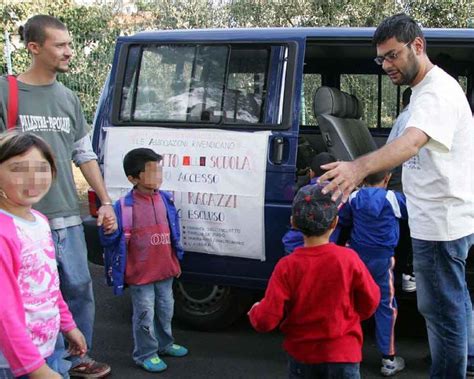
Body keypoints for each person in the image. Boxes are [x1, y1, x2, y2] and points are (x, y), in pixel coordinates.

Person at [319, 13, 474, 378]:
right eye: (381, 59)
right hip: (446, 216)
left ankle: (452, 369)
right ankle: (465, 360)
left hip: (440, 224)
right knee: (454, 303)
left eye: (392, 56)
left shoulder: (436, 92)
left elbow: (410, 143)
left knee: (442, 313)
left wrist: (356, 169)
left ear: (417, 46)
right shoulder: (427, 90)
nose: (386, 65)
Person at [0, 15, 116, 377]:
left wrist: (106, 201)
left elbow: (85, 155)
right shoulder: (7, 91)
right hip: (16, 219)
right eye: (60, 45)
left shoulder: (68, 98)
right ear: (34, 48)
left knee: (76, 288)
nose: (70, 51)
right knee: (15, 299)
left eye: (70, 44)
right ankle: (26, 363)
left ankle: (75, 357)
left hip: (64, 215)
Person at [248, 184, 380, 379]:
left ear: (293, 222)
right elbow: (371, 300)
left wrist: (255, 312)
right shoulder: (348, 259)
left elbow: (267, 319)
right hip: (343, 352)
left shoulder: (287, 265)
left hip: (303, 355)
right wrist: (350, 316)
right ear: (335, 222)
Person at [0, 131, 87, 379]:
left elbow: (48, 283)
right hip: (14, 364)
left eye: (42, 168)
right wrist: (37, 370)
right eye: (18, 169)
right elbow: (3, 311)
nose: (34, 178)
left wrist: (68, 325)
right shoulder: (4, 232)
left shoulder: (38, 220)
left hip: (46, 350)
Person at [99, 148, 188, 373]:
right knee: (144, 314)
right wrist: (108, 230)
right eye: (151, 172)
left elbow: (173, 235)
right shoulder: (124, 206)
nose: (158, 176)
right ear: (133, 178)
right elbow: (110, 240)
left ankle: (165, 344)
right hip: (140, 275)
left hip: (165, 271)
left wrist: (176, 261)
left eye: (159, 170)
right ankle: (145, 353)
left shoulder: (165, 199)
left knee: (166, 310)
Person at [338, 170, 407, 376]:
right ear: (387, 179)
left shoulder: (354, 197)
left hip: (356, 258)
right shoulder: (393, 199)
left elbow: (344, 219)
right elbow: (412, 213)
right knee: (385, 306)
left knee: (351, 303)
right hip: (382, 260)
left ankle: (347, 355)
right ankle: (388, 360)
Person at [282, 152, 337, 254]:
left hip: (296, 246)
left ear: (311, 172)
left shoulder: (302, 191)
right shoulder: (340, 195)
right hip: (326, 249)